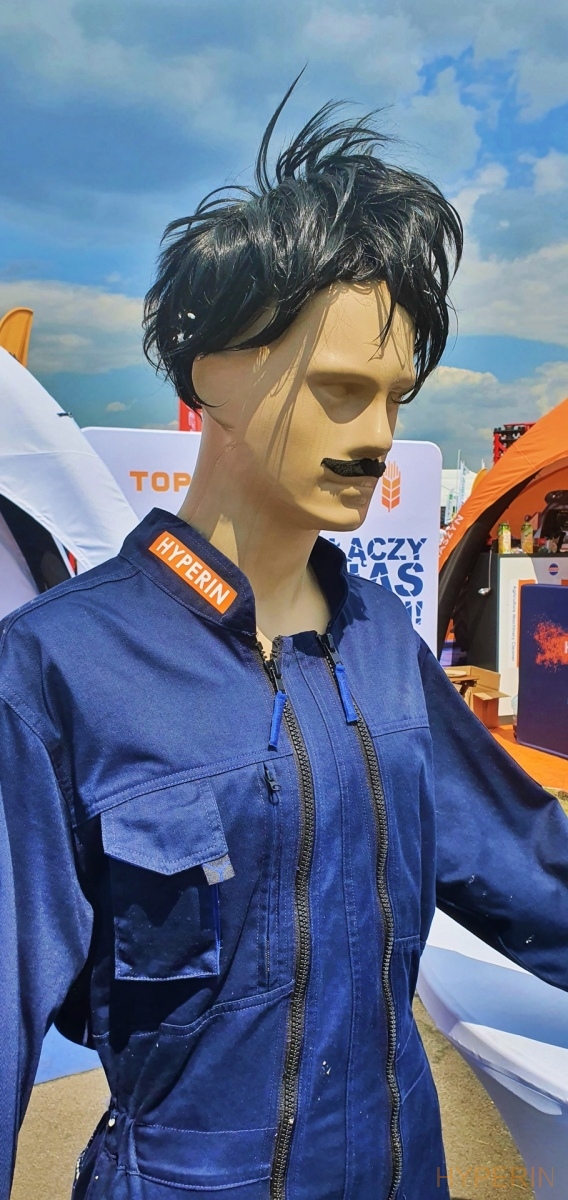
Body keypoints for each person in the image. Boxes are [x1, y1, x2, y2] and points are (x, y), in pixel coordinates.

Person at [1, 83, 567, 1200]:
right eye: (342, 390)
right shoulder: (58, 673)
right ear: (212, 366)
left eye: (397, 397)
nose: (379, 436)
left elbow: (529, 871)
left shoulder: (380, 645)